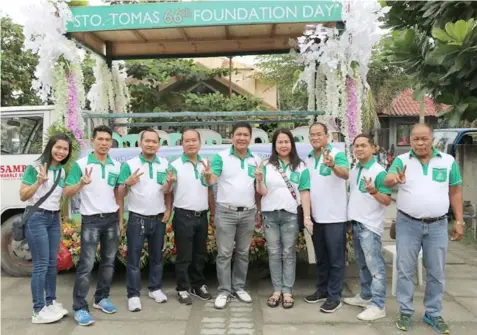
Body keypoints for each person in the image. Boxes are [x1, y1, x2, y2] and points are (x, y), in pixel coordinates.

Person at [384, 123, 464, 333]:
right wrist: (395, 178)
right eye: (415, 139)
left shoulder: (448, 161)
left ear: (432, 139)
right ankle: (405, 311)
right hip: (407, 223)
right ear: (410, 141)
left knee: (436, 271)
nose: (420, 143)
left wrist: (459, 221)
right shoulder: (402, 161)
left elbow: (455, 192)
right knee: (405, 270)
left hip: (438, 225)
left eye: (424, 139)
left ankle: (433, 313)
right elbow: (387, 179)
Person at [64, 125, 123, 326]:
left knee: (108, 262)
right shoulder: (81, 165)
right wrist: (81, 184)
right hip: (90, 220)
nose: (104, 143)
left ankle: (101, 298)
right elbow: (67, 192)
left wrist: (120, 218)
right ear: (92, 141)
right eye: (101, 139)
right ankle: (80, 307)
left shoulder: (116, 165)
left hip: (111, 219)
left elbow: (117, 194)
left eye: (108, 140)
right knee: (86, 265)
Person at [204, 121, 262, 309]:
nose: (242, 138)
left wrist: (258, 211)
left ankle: (239, 287)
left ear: (250, 138)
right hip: (226, 212)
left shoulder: (256, 160)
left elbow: (258, 188)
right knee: (224, 254)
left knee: (243, 253)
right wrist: (207, 176)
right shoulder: (221, 157)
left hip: (248, 212)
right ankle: (223, 291)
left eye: (246, 135)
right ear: (233, 136)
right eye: (239, 134)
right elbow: (213, 179)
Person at [255, 128, 312, 309]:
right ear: (274, 145)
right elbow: (262, 192)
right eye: (280, 142)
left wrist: (307, 217)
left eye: (286, 142)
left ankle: (287, 291)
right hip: (270, 214)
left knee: (288, 253)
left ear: (292, 144)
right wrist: (258, 179)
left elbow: (304, 193)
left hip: (290, 214)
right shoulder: (266, 165)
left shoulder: (300, 166)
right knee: (274, 252)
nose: (283, 145)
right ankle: (276, 290)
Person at [117, 128, 172, 312]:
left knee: (157, 257)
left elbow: (167, 190)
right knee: (133, 259)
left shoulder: (164, 164)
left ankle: (155, 288)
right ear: (140, 143)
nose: (150, 144)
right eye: (147, 141)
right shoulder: (129, 165)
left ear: (158, 144)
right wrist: (127, 183)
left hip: (158, 218)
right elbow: (120, 193)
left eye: (154, 141)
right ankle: (133, 295)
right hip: (137, 218)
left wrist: (169, 208)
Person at [19, 134, 72, 324]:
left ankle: (50, 302)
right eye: (58, 147)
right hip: (37, 218)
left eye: (65, 149)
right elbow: (23, 196)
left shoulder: (61, 171)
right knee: (40, 265)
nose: (61, 152)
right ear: (51, 147)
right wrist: (38, 183)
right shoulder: (35, 167)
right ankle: (38, 310)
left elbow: (57, 200)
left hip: (52, 219)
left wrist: (60, 224)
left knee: (51, 264)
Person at [344, 134, 392, 321]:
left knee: (375, 267)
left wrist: (373, 191)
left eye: (364, 145)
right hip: (356, 223)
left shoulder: (379, 172)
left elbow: (387, 200)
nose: (359, 149)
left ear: (374, 148)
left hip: (370, 226)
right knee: (362, 264)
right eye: (356, 146)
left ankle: (378, 305)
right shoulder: (355, 170)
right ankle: (366, 296)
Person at [304, 122, 349, 313]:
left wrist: (332, 165)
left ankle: (334, 296)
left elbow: (345, 174)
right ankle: (321, 290)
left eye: (318, 134)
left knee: (336, 259)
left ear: (327, 136)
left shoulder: (337, 154)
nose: (315, 138)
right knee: (321, 258)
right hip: (317, 217)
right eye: (312, 135)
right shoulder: (308, 158)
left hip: (335, 217)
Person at [169, 129, 214, 305]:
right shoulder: (175, 165)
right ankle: (182, 288)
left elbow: (210, 189)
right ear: (182, 144)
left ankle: (198, 284)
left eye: (194, 140)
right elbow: (167, 191)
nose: (190, 144)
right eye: (186, 141)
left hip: (201, 215)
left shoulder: (205, 164)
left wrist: (213, 212)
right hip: (183, 216)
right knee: (184, 255)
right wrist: (168, 184)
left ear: (200, 143)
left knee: (200, 253)